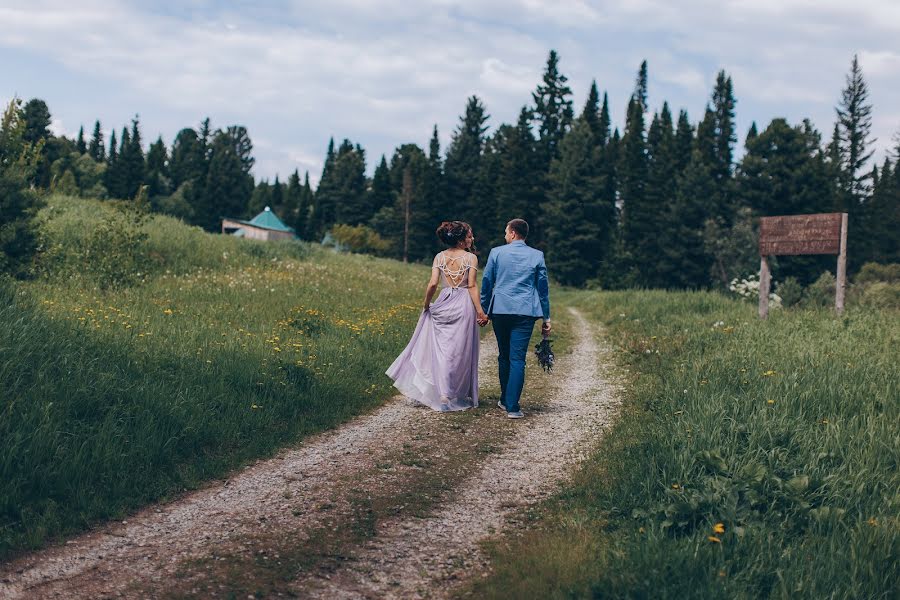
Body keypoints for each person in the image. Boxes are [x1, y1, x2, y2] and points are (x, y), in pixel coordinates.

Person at [386, 221, 489, 412]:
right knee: (459, 352)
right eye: (469, 235)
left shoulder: (439, 257)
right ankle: (452, 393)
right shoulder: (471, 258)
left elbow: (433, 284)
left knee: (442, 350)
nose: (472, 238)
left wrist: (427, 305)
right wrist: (480, 312)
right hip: (463, 304)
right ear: (460, 240)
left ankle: (442, 393)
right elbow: (472, 286)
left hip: (443, 301)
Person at [480, 219, 551, 419]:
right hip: (525, 312)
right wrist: (546, 318)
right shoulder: (537, 256)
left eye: (506, 232)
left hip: (500, 310)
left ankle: (504, 398)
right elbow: (543, 290)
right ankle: (513, 406)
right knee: (517, 358)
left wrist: (484, 310)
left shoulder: (496, 252)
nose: (505, 236)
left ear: (512, 233)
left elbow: (486, 282)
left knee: (504, 355)